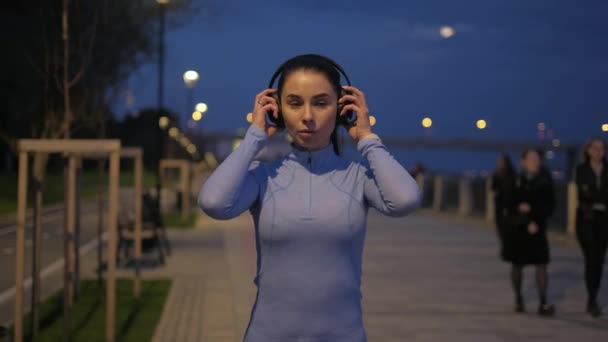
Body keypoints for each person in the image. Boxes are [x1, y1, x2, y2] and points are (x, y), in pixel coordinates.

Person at [198, 54, 421, 342]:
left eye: (320, 102)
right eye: (293, 103)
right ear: (276, 110)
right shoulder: (264, 177)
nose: (307, 116)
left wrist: (366, 138)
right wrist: (255, 136)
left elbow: (405, 200)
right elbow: (214, 203)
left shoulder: (357, 178)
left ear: (342, 110)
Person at [507, 149, 556, 316]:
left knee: (541, 264)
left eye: (537, 158)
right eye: (531, 158)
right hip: (519, 228)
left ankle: (543, 302)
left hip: (538, 227)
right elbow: (508, 203)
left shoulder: (545, 179)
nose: (534, 161)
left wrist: (534, 216)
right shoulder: (516, 179)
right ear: (523, 161)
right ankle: (519, 298)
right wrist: (521, 213)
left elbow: (550, 205)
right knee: (517, 265)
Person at [574, 138, 608, 318]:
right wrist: (597, 197)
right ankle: (592, 299)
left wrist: (594, 196)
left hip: (604, 221)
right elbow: (583, 193)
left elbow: (593, 193)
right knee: (591, 257)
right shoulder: (581, 170)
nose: (598, 152)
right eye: (595, 148)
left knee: (599, 260)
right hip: (586, 219)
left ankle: (592, 297)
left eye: (602, 148)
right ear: (588, 150)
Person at [491, 154, 516, 261]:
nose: (500, 164)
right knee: (500, 229)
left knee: (508, 229)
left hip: (510, 206)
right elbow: (492, 188)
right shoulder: (496, 174)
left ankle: (508, 250)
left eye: (502, 162)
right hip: (499, 206)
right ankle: (505, 249)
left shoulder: (512, 175)